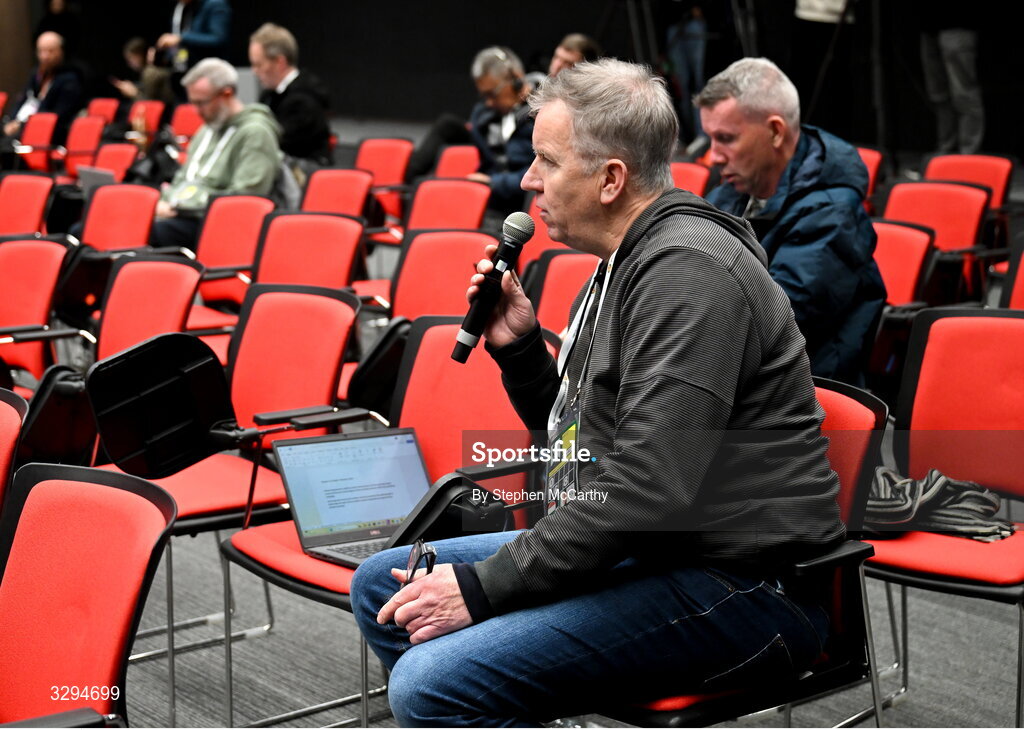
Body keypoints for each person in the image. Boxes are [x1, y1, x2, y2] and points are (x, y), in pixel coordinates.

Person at [351, 58, 845, 726]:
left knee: (430, 683)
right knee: (382, 583)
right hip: (656, 549)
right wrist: (524, 352)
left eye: (547, 162)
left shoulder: (689, 272)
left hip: (745, 586)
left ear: (612, 178)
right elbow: (583, 450)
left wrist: (483, 588)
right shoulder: (625, 262)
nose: (528, 182)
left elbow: (646, 488)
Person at [697, 57, 885, 385]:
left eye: (726, 138)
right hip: (736, 385)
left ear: (774, 131)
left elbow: (766, 325)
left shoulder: (832, 213)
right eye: (710, 138)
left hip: (800, 402)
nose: (713, 155)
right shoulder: (730, 192)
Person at [152, 58, 281, 249]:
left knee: (151, 232)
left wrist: (179, 205)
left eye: (201, 103)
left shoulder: (256, 132)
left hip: (222, 226)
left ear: (226, 94)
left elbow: (246, 198)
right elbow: (183, 177)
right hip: (186, 215)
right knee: (131, 219)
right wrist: (163, 202)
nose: (196, 111)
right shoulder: (207, 130)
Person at [248, 23, 331, 166]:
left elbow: (281, 143)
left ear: (280, 62)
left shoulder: (305, 100)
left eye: (259, 65)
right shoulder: (270, 94)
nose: (254, 71)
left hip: (302, 171)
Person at [917, 1, 985, 154]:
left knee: (963, 93)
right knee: (938, 95)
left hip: (958, 24)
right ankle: (945, 151)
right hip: (928, 27)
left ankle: (968, 153)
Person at [3, 31, 82, 144]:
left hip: (46, 133)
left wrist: (22, 125)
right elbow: (22, 100)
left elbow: (58, 116)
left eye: (50, 51)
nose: (45, 56)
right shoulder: (36, 74)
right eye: (41, 51)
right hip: (21, 127)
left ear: (61, 51)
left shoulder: (70, 79)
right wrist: (11, 121)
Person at [156, 0, 231, 98]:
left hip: (209, 78)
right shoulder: (183, 8)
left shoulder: (215, 4)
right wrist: (166, 56)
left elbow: (218, 38)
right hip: (185, 75)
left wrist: (181, 38)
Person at [111, 37, 175, 109]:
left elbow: (150, 107)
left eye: (130, 59)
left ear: (138, 56)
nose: (129, 64)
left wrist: (133, 93)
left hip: (166, 116)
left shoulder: (150, 73)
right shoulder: (151, 71)